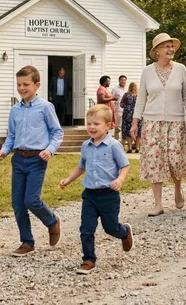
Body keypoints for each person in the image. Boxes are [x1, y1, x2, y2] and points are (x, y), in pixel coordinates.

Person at [0, 65, 64, 257]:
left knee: (31, 200)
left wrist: (50, 150)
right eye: (19, 84)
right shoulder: (15, 110)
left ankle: (52, 221)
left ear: (37, 85)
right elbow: (11, 136)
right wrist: (3, 151)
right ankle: (27, 242)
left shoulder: (45, 107)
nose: (22, 88)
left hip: (37, 160)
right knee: (18, 204)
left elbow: (57, 132)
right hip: (18, 159)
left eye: (26, 84)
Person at [60, 105, 134, 275]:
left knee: (110, 227)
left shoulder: (114, 145)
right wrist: (68, 180)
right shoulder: (85, 146)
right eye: (89, 123)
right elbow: (81, 167)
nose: (91, 127)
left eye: (96, 124)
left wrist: (120, 180)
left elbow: (125, 166)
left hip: (109, 195)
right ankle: (88, 259)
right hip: (90, 195)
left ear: (108, 126)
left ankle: (124, 232)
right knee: (86, 228)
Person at [131, 33, 186, 216]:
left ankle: (178, 187)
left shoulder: (181, 69)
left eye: (172, 46)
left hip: (175, 121)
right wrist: (135, 122)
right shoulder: (147, 71)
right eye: (166, 46)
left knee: (175, 159)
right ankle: (158, 204)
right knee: (155, 162)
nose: (171, 49)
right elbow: (141, 99)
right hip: (152, 122)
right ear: (157, 51)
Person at [120, 82, 139, 152]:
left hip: (127, 114)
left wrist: (127, 106)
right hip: (137, 114)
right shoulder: (139, 95)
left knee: (128, 130)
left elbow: (121, 105)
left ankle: (130, 148)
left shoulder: (126, 95)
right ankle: (137, 148)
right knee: (138, 131)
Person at [112, 75, 128, 140]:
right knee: (118, 128)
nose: (123, 81)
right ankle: (116, 141)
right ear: (119, 81)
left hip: (127, 111)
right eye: (122, 80)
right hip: (118, 110)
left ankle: (123, 142)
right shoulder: (115, 89)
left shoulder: (127, 89)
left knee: (125, 127)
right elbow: (111, 99)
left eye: (124, 80)